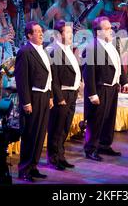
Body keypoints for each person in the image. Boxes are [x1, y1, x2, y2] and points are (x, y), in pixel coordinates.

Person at [83, 16, 128, 161]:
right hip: (99, 89)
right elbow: (88, 73)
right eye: (107, 28)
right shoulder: (92, 48)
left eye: (111, 28)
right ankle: (91, 148)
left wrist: (124, 81)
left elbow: (118, 63)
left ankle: (104, 145)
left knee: (109, 118)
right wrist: (92, 94)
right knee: (96, 120)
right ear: (98, 32)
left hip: (112, 88)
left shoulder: (112, 44)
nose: (111, 31)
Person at [15, 21, 54, 182]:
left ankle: (33, 166)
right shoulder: (25, 52)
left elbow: (49, 75)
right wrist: (26, 102)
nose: (40, 33)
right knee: (30, 134)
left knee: (39, 134)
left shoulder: (42, 50)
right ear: (29, 35)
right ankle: (24, 169)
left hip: (44, 97)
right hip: (33, 98)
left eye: (41, 31)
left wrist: (50, 96)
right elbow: (21, 79)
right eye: (37, 31)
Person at [47, 20, 81, 170]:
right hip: (62, 94)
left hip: (72, 93)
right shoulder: (54, 51)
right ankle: (53, 158)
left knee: (65, 127)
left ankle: (61, 155)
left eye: (71, 32)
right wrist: (59, 97)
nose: (71, 35)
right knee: (56, 128)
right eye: (67, 32)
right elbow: (53, 77)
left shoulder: (68, 49)